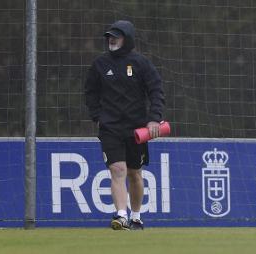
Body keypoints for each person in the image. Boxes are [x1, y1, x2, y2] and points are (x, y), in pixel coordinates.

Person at [84, 20, 165, 230]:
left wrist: (154, 118)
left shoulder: (141, 63)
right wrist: (97, 116)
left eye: (116, 36)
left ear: (127, 39)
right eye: (109, 36)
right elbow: (90, 92)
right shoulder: (100, 64)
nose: (111, 40)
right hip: (110, 128)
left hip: (137, 130)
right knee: (117, 169)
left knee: (135, 173)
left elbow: (156, 90)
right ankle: (121, 215)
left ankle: (136, 217)